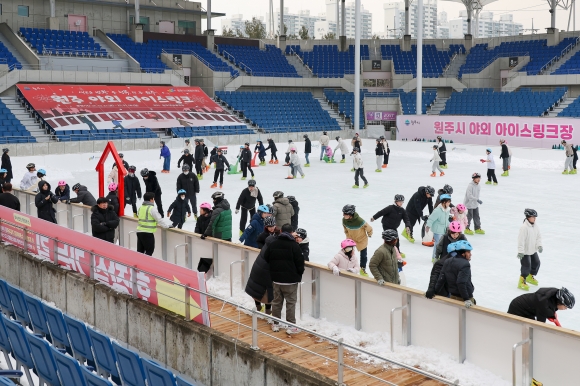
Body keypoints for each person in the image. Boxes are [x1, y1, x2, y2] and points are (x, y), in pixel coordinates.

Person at [264, 223, 305, 334]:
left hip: (276, 279)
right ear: (292, 233)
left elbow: (266, 257)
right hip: (291, 281)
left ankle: (275, 324)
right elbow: (300, 263)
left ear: (281, 231)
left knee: (277, 302)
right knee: (290, 303)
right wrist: (298, 275)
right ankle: (291, 326)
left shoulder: (273, 243)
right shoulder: (294, 246)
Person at [245, 219, 279, 319]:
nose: (272, 228)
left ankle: (264, 309)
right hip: (264, 269)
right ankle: (263, 309)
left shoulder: (274, 236)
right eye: (270, 226)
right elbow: (259, 241)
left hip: (260, 267)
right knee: (266, 292)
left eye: (273, 226)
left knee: (261, 291)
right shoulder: (265, 237)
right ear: (266, 227)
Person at [426, 221, 468, 298]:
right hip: (445, 260)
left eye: (457, 234)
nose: (455, 236)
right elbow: (438, 248)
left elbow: (466, 250)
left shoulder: (462, 238)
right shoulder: (445, 237)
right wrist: (436, 258)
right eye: (453, 234)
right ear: (449, 232)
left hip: (457, 264)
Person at [432, 240, 475, 308]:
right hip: (464, 298)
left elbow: (441, 279)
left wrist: (434, 291)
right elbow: (461, 282)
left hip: (452, 297)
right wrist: (466, 299)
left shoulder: (447, 261)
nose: (470, 254)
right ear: (463, 253)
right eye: (468, 252)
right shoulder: (465, 264)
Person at [508, 287, 575, 324]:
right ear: (560, 302)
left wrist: (551, 314)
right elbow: (540, 325)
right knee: (529, 328)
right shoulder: (544, 305)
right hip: (518, 309)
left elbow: (550, 308)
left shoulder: (553, 296)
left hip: (527, 308)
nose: (565, 309)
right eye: (566, 306)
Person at [342, 204, 373, 276]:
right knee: (348, 253)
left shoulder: (359, 221)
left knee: (363, 255)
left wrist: (370, 234)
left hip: (361, 239)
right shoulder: (344, 220)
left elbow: (369, 228)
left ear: (350, 214)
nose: (343, 215)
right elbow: (345, 229)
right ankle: (349, 267)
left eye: (345, 213)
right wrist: (347, 236)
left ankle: (363, 268)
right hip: (350, 239)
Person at [517, 208, 543, 291]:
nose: (535, 219)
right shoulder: (524, 227)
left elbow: (538, 237)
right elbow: (520, 240)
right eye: (533, 217)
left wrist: (539, 245)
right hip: (525, 251)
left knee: (537, 262)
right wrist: (521, 251)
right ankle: (522, 281)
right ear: (528, 217)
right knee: (526, 266)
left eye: (535, 217)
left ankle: (530, 276)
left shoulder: (536, 226)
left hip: (533, 250)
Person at [426, 194, 452, 262]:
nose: (449, 204)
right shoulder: (437, 210)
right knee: (438, 244)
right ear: (444, 202)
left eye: (449, 202)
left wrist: (450, 226)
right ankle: (434, 257)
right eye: (448, 202)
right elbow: (431, 219)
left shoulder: (447, 210)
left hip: (444, 230)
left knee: (443, 244)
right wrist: (428, 226)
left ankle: (440, 256)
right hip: (437, 230)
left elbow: (446, 220)